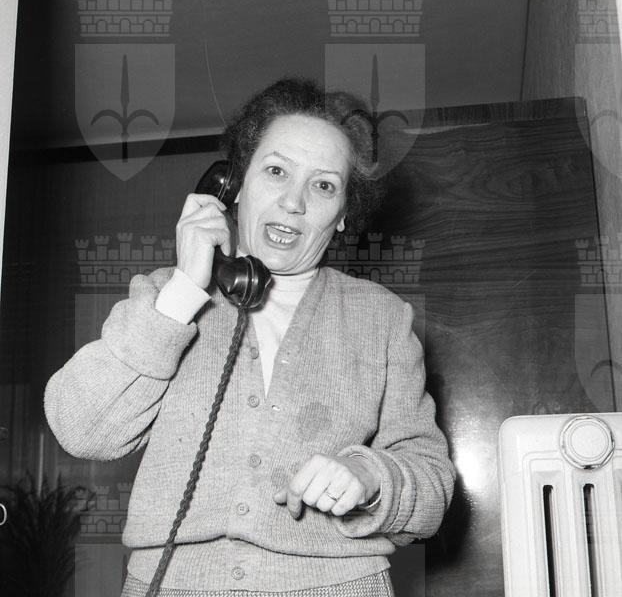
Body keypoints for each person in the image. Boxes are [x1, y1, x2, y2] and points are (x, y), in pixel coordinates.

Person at [45, 78, 455, 597]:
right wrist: (184, 291)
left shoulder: (383, 319)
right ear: (234, 185)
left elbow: (431, 484)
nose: (293, 202)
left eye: (324, 186)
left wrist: (371, 475)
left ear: (343, 214)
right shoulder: (164, 297)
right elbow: (80, 427)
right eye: (276, 171)